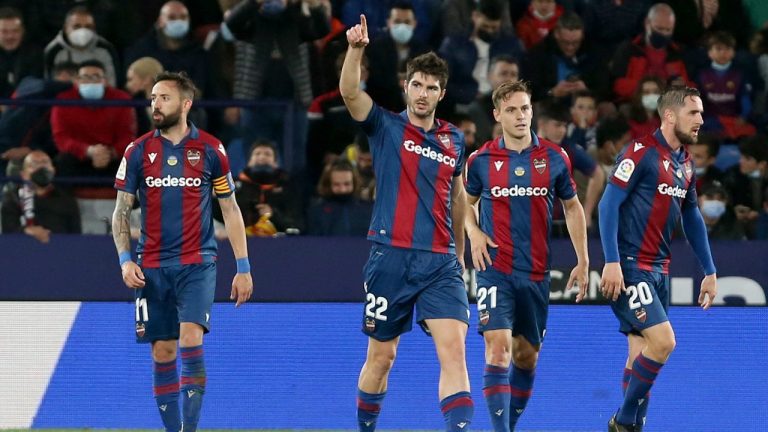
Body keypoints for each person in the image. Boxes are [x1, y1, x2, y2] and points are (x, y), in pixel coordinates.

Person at [341, 15, 473, 432]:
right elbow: (348, 92)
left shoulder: (454, 139)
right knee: (382, 358)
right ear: (406, 86)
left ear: (442, 93)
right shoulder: (385, 126)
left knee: (454, 351)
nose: (423, 93)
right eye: (417, 84)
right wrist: (355, 49)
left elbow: (457, 196)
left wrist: (460, 254)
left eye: (432, 87)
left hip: (440, 263)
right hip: (390, 257)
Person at [111, 71, 253, 432]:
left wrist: (243, 266)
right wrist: (125, 260)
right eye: (153, 98)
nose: (155, 105)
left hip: (197, 262)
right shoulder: (138, 150)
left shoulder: (210, 150)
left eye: (164, 98)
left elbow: (231, 208)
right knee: (163, 352)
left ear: (186, 104)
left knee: (190, 339)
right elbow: (121, 212)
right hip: (151, 266)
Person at [464, 80, 589, 431]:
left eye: (525, 108)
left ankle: (511, 424)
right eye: (512, 110)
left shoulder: (554, 157)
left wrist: (583, 259)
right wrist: (473, 233)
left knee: (525, 357)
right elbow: (463, 204)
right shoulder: (481, 160)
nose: (520, 116)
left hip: (535, 272)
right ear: (497, 115)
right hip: (494, 268)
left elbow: (573, 207)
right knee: (498, 348)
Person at [598, 86, 718, 431]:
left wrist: (709, 270)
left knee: (640, 352)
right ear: (669, 116)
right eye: (693, 113)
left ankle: (635, 426)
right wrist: (611, 262)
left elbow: (692, 217)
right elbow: (608, 205)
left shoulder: (685, 162)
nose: (701, 120)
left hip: (659, 269)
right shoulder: (640, 152)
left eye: (700, 113)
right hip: (631, 265)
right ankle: (622, 422)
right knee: (664, 342)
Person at [51, 59, 136, 178]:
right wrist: (87, 151)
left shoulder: (121, 99)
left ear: (105, 81)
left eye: (96, 77)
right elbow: (61, 137)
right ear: (76, 81)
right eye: (85, 77)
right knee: (62, 161)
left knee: (133, 162)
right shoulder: (63, 100)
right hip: (78, 156)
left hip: (112, 156)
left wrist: (110, 153)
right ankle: (65, 197)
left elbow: (127, 135)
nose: (91, 81)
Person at [1, 150, 80, 241]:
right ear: (24, 175)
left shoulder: (67, 200)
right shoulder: (13, 198)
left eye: (45, 163)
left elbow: (76, 236)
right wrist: (25, 231)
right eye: (34, 164)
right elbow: (8, 234)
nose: (41, 167)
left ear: (53, 170)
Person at [306, 158, 372, 236]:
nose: (342, 189)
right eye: (337, 184)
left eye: (347, 184)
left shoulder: (369, 210)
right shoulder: (317, 211)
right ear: (329, 184)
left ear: (354, 183)